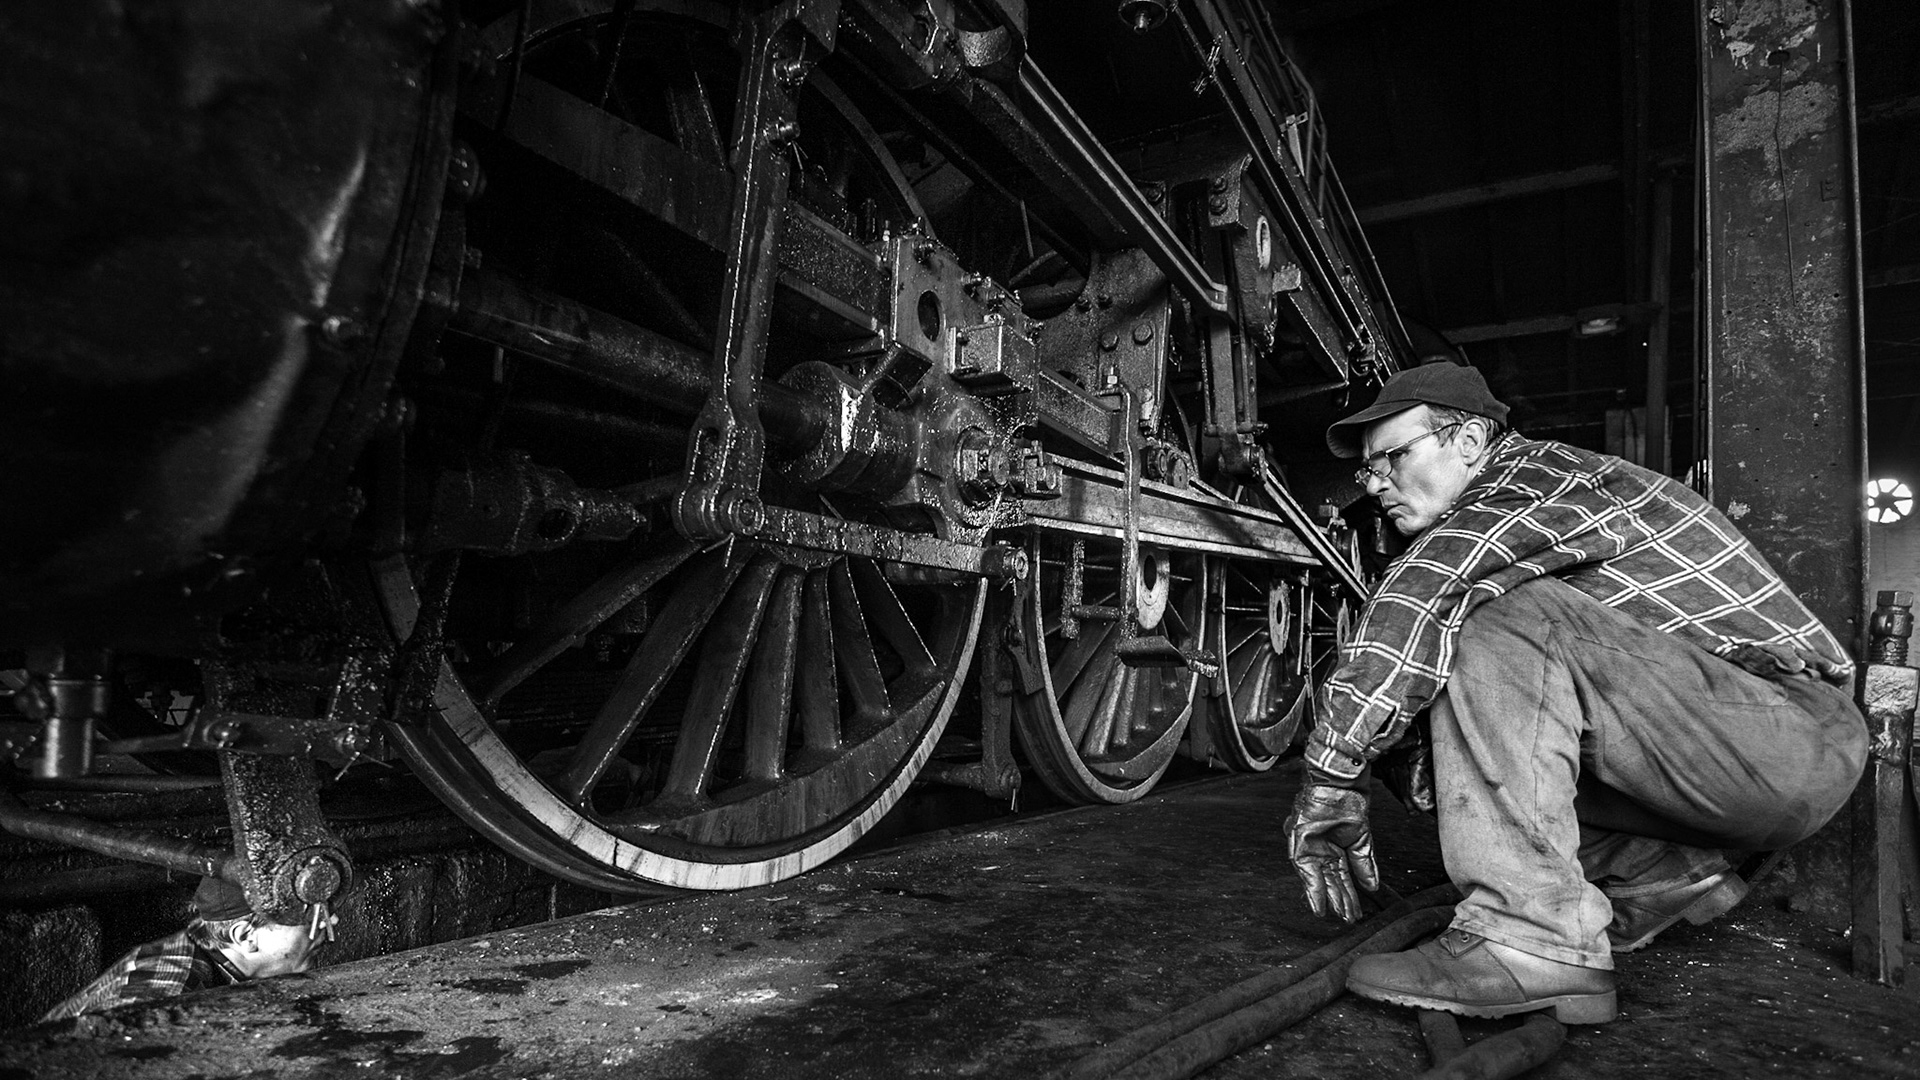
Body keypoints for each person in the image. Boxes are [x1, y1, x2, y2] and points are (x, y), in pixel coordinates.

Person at [1283, 362, 1868, 1024]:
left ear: (1469, 441)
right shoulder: (1519, 510)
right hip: (1719, 752)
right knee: (1420, 719)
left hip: (1788, 734)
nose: (1374, 483)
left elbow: (1423, 592)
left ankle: (1530, 941)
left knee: (1490, 615)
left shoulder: (1534, 479)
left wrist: (1329, 777)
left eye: (1393, 457)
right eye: (1368, 470)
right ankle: (1655, 871)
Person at [40, 875, 335, 1022]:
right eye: (308, 916)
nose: (329, 921)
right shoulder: (169, 994)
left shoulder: (202, 949)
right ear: (246, 936)